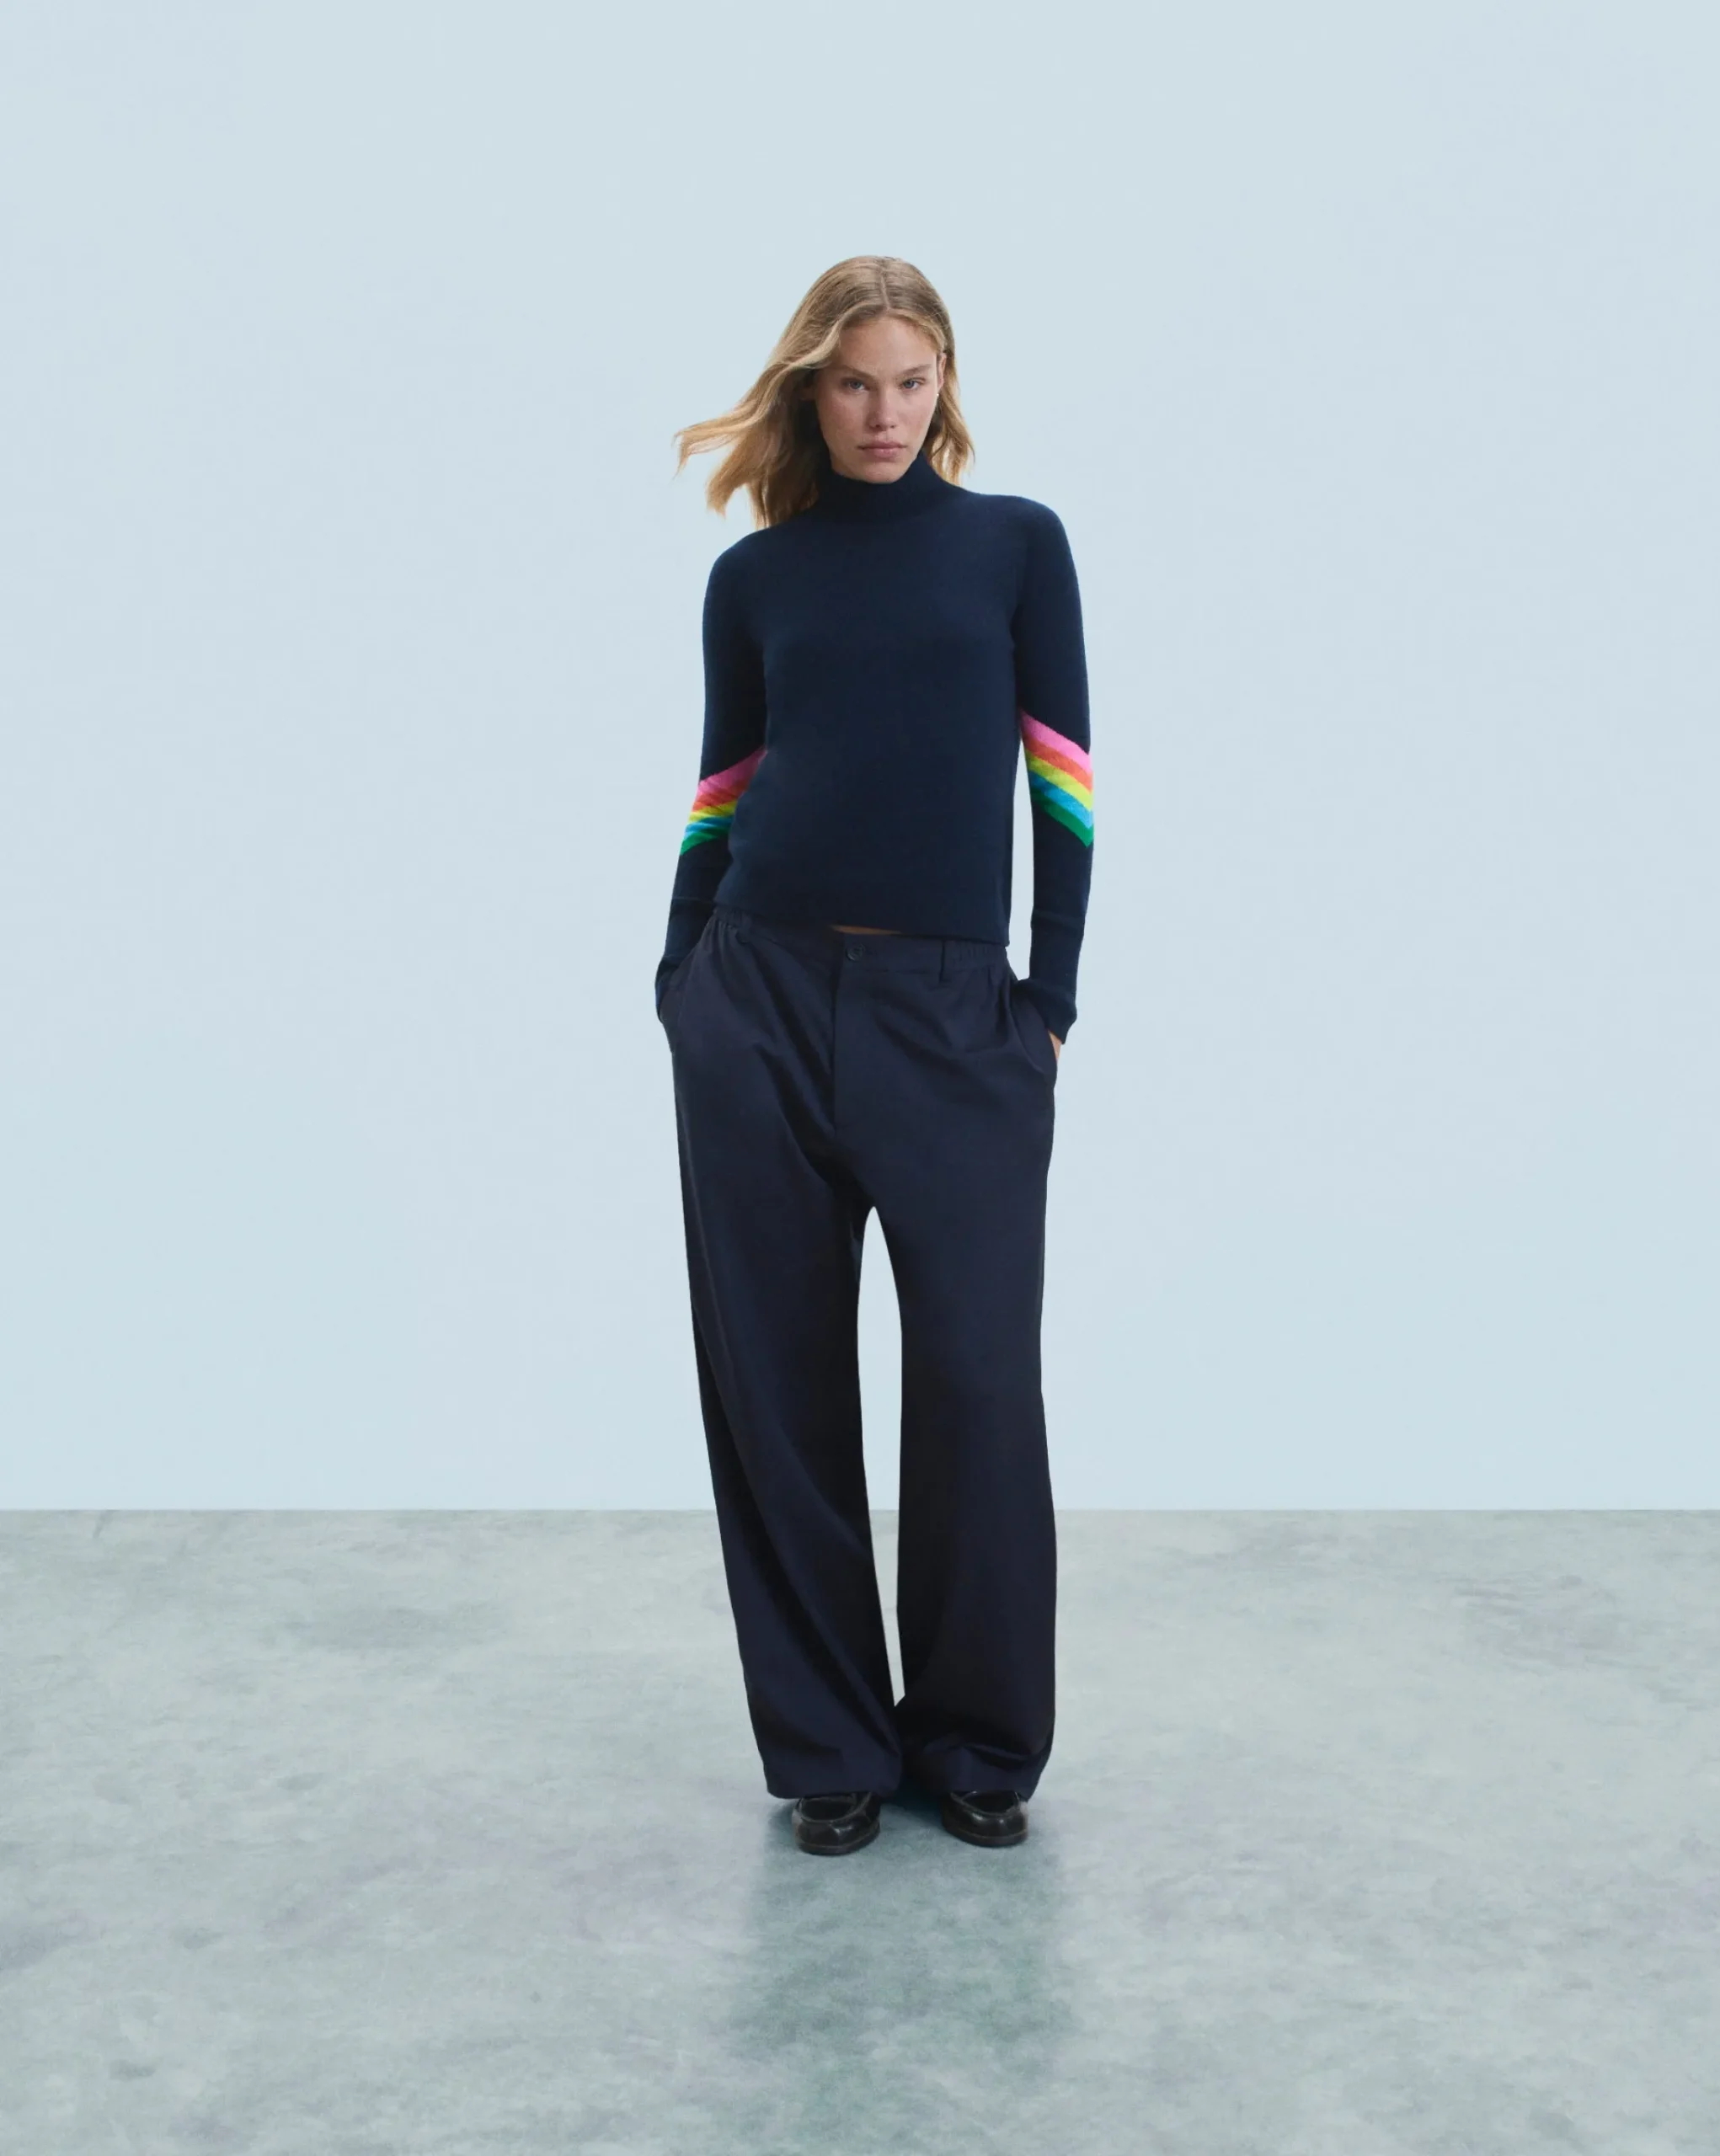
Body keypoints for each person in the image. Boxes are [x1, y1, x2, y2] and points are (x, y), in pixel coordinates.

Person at [654, 256, 1093, 1855]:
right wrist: (681, 976)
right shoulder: (755, 578)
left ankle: (974, 1742)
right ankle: (830, 1746)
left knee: (977, 1382)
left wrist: (1049, 998)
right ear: (810, 390)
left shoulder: (1016, 547)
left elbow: (1064, 781)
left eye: (909, 382)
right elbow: (723, 787)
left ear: (945, 382)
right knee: (776, 1388)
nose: (883, 412)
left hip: (957, 1018)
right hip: (757, 1003)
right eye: (853, 383)